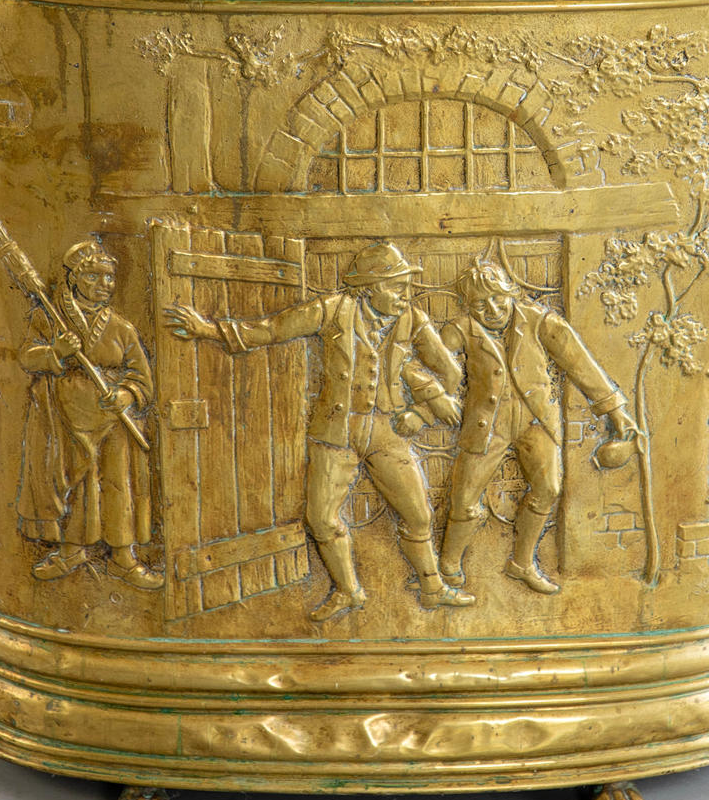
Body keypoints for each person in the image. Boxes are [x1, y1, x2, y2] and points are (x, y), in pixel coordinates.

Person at [166, 242, 473, 621]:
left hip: (386, 429)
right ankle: (348, 591)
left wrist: (421, 414)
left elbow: (452, 373)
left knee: (419, 514)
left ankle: (432, 587)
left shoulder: (413, 319)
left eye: (407, 287)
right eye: (397, 287)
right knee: (321, 518)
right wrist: (208, 329)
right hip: (336, 431)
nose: (405, 295)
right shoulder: (332, 309)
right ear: (369, 288)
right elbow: (273, 329)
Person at [439, 254, 636, 597]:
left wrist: (614, 408)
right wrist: (432, 398)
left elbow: (579, 363)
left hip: (536, 420)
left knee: (548, 488)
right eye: (480, 304)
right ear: (467, 305)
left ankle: (522, 563)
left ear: (510, 292)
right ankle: (447, 567)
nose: (492, 309)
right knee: (464, 499)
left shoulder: (539, 320)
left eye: (497, 298)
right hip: (486, 425)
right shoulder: (459, 330)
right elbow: (427, 365)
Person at [18, 239, 161, 589]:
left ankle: (123, 559)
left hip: (111, 423)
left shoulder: (122, 328)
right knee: (77, 486)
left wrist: (126, 394)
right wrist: (56, 351)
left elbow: (141, 377)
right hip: (63, 419)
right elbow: (26, 358)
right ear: (74, 279)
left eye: (109, 278)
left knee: (117, 486)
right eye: (94, 276)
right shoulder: (49, 317)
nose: (104, 284)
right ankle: (72, 551)